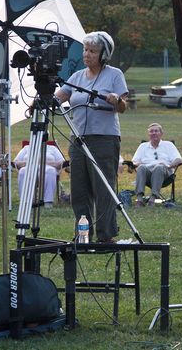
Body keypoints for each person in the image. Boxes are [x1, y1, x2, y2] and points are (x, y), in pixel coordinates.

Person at [54, 31, 127, 243]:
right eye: (86, 50)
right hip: (77, 140)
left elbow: (123, 106)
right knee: (79, 189)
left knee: (103, 188)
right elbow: (61, 96)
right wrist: (45, 100)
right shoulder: (77, 76)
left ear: (104, 54)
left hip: (104, 139)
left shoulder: (114, 75)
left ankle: (106, 236)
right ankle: (83, 234)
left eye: (92, 51)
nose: (87, 54)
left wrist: (116, 100)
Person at [131, 123, 182, 206]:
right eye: (151, 131)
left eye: (156, 131)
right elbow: (134, 162)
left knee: (159, 167)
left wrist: (168, 166)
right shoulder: (143, 146)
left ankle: (153, 198)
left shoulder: (168, 145)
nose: (154, 133)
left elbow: (178, 159)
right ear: (148, 134)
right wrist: (136, 164)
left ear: (161, 134)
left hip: (164, 174)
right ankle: (140, 199)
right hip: (147, 176)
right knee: (141, 167)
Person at [14, 142, 65, 208]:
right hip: (29, 167)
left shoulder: (52, 149)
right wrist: (32, 162)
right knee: (23, 171)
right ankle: (26, 202)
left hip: (48, 167)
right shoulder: (26, 148)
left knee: (50, 171)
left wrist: (43, 162)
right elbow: (16, 163)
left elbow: (61, 163)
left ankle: (48, 202)